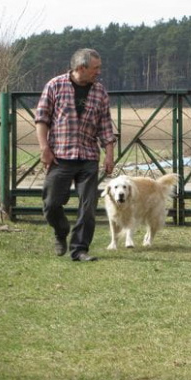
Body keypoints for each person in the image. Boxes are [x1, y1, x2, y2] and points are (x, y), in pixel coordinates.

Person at [35, 48, 116, 262]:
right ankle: (61, 231)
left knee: (88, 206)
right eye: (95, 68)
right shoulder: (55, 85)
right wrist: (44, 148)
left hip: (88, 157)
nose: (99, 72)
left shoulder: (100, 91)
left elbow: (106, 126)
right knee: (51, 203)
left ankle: (79, 249)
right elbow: (42, 119)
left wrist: (109, 155)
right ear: (81, 68)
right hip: (60, 156)